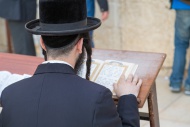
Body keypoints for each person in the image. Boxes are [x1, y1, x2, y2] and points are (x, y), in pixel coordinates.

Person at [0, 0, 142, 127]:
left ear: (42, 43)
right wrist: (127, 98)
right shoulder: (98, 97)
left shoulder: (10, 95)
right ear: (80, 45)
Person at [170, 0, 190, 95]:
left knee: (180, 46)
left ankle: (176, 83)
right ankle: (189, 86)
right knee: (180, 45)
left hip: (182, 4)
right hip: (181, 4)